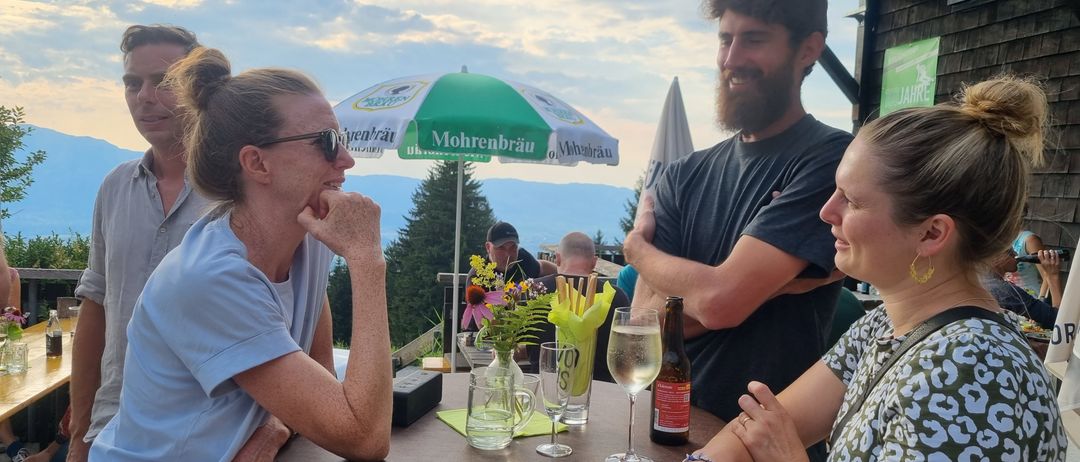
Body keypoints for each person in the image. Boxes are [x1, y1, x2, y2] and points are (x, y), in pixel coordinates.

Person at [691, 76, 1067, 461]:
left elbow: (770, 440)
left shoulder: (971, 368)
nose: (826, 211)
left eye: (851, 200)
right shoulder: (887, 325)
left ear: (932, 233)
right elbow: (752, 431)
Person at [88, 47, 392, 460]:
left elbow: (320, 384)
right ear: (257, 163)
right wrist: (367, 260)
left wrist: (277, 425)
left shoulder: (310, 240)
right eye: (327, 141)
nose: (346, 159)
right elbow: (364, 439)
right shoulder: (211, 279)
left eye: (342, 139)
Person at [621, 2, 850, 458]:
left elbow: (722, 302)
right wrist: (769, 288)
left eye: (755, 39)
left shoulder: (831, 162)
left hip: (766, 444)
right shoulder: (684, 174)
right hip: (667, 431)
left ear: (808, 50)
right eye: (726, 39)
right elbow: (647, 322)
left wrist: (638, 250)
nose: (731, 59)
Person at [67, 25, 212, 462]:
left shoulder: (237, 191)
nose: (144, 96)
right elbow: (96, 307)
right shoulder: (115, 187)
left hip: (204, 433)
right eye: (133, 83)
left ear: (198, 89)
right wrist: (79, 432)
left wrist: (278, 426)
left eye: (164, 82)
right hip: (113, 425)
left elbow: (297, 309)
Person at [530, 231, 630, 383]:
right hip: (602, 390)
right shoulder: (616, 297)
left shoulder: (535, 290)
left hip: (543, 387)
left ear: (557, 258)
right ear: (594, 262)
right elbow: (624, 355)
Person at [982, 248, 1060, 328]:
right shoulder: (1007, 291)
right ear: (996, 258)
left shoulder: (979, 282)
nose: (1016, 254)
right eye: (1010, 252)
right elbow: (1057, 320)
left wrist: (1047, 274)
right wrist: (1053, 276)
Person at [470, 221, 555, 284]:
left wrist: (564, 274)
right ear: (488, 247)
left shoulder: (523, 259)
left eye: (513, 247)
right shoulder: (478, 276)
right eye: (501, 248)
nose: (508, 254)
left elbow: (542, 266)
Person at [1007, 226, 1061, 299]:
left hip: (1032, 297)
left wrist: (1041, 302)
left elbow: (1046, 274)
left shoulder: (1029, 240)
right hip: (1012, 299)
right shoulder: (996, 240)